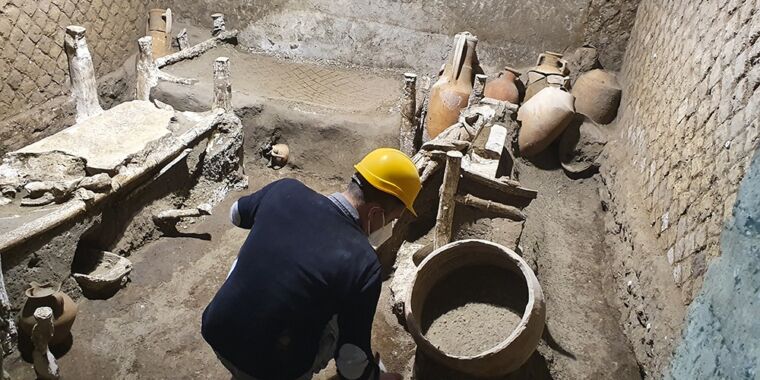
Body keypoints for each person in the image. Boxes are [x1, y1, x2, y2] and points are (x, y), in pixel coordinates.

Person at [202, 148, 421, 380]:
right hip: (271, 369)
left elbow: (236, 214)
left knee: (258, 258)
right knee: (339, 315)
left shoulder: (285, 190)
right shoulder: (362, 262)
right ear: (375, 213)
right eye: (392, 219)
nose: (389, 227)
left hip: (217, 330)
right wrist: (378, 377)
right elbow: (350, 365)